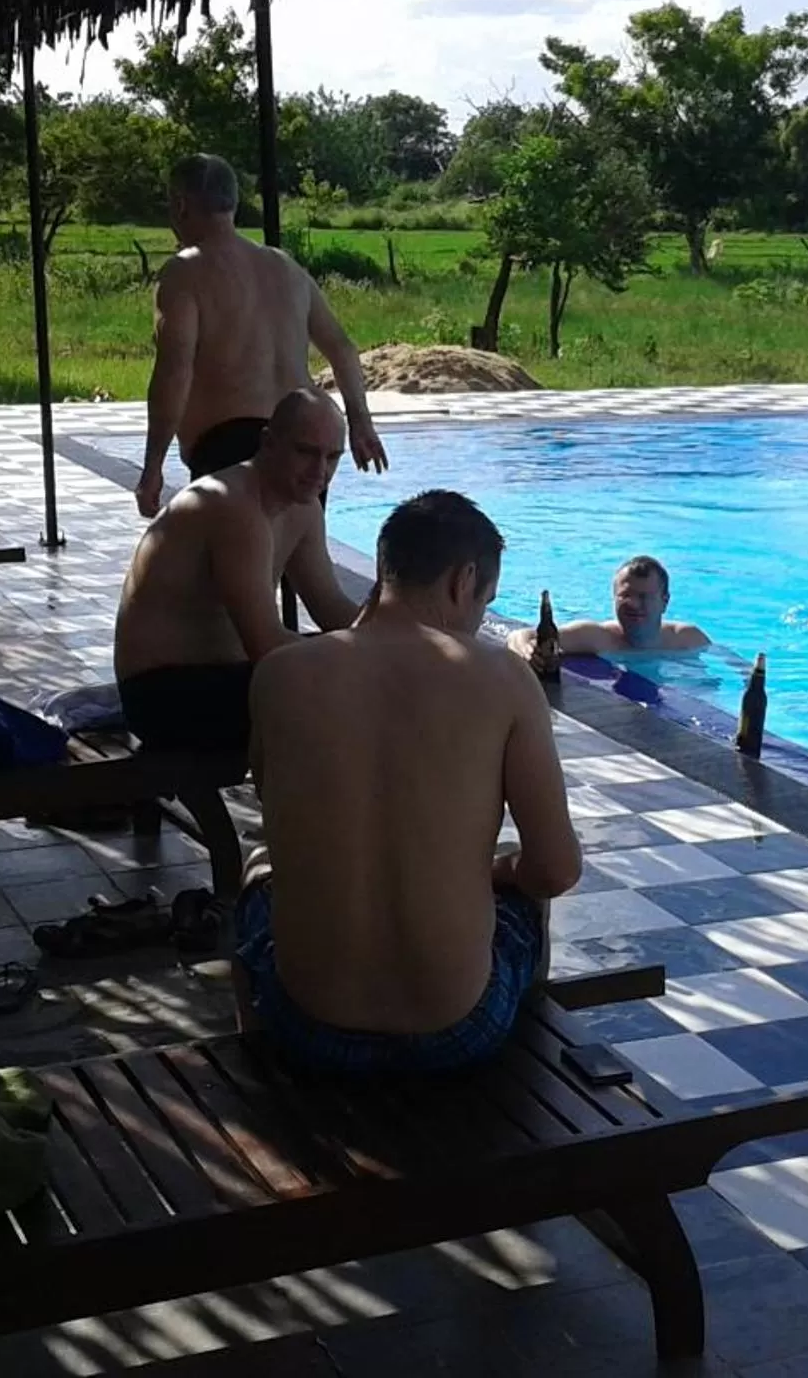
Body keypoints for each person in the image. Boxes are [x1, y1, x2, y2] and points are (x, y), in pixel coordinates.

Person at [240, 489, 580, 1072]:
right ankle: (526, 1080)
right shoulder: (502, 677)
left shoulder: (280, 673)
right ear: (463, 580)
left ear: (385, 569)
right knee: (529, 898)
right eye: (484, 604)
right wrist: (496, 871)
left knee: (256, 873)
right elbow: (556, 869)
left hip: (307, 1025)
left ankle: (254, 1061)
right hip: (458, 1032)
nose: (477, 623)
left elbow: (284, 816)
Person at [134, 154, 388, 517]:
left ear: (180, 204)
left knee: (234, 571)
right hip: (300, 445)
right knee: (304, 570)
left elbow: (174, 371)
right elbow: (342, 349)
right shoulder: (286, 266)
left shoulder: (184, 272)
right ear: (233, 204)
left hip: (228, 450)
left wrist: (153, 466)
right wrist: (361, 423)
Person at [112, 389, 362, 752]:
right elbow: (267, 646)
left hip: (224, 675)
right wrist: (373, 661)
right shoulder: (233, 507)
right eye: (306, 452)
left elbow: (330, 605)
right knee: (342, 691)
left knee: (365, 675)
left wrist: (402, 639)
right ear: (268, 443)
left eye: (332, 457)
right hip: (162, 694)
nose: (320, 472)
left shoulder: (302, 509)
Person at [504, 554, 710, 658]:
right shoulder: (598, 637)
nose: (633, 604)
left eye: (643, 596)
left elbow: (736, 672)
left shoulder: (688, 638)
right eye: (625, 595)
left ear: (664, 602)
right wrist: (526, 650)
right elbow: (520, 636)